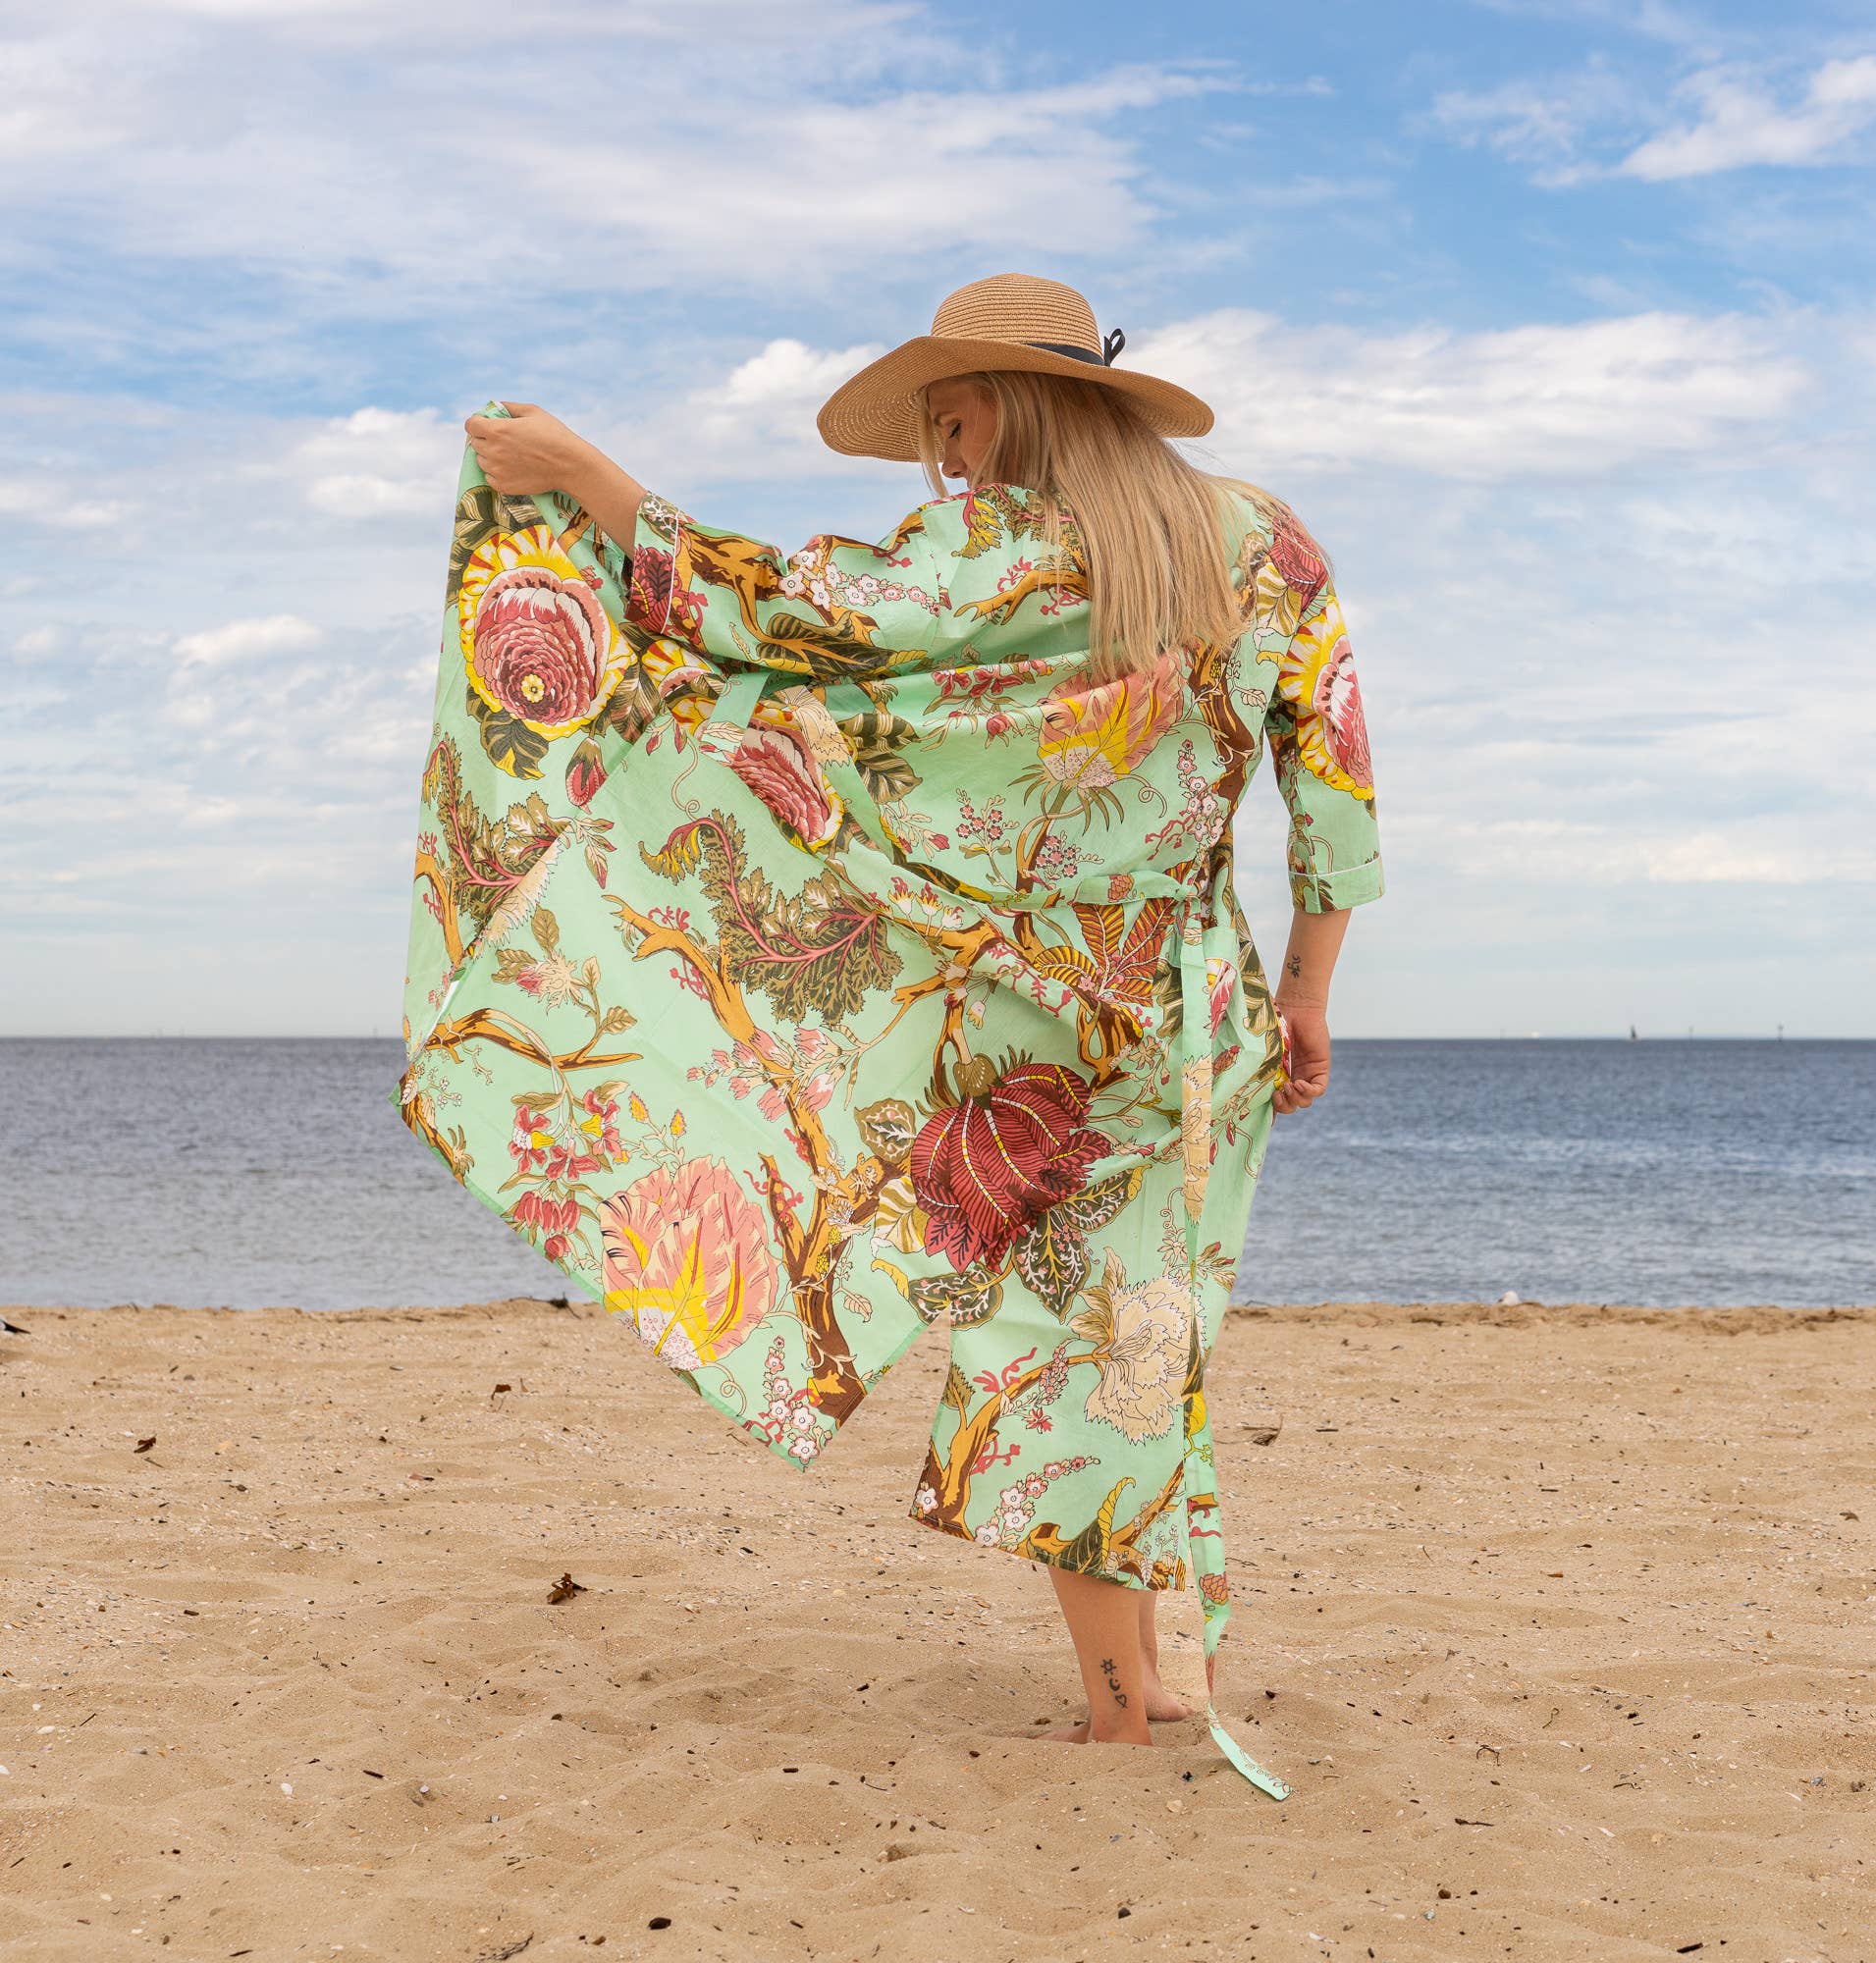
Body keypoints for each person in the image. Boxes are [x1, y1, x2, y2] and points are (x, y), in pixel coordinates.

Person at [406, 273, 1383, 1797]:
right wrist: (1313, 988)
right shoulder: (1266, 542)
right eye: (934, 431)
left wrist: (592, 486)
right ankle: (1165, 1676)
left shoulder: (1001, 550)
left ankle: (1121, 1719)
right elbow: (1335, 779)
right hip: (1203, 1016)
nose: (946, 459)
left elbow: (789, 622)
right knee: (1144, 1335)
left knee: (1059, 1358)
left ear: (1032, 400)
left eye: (959, 419)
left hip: (1041, 1027)